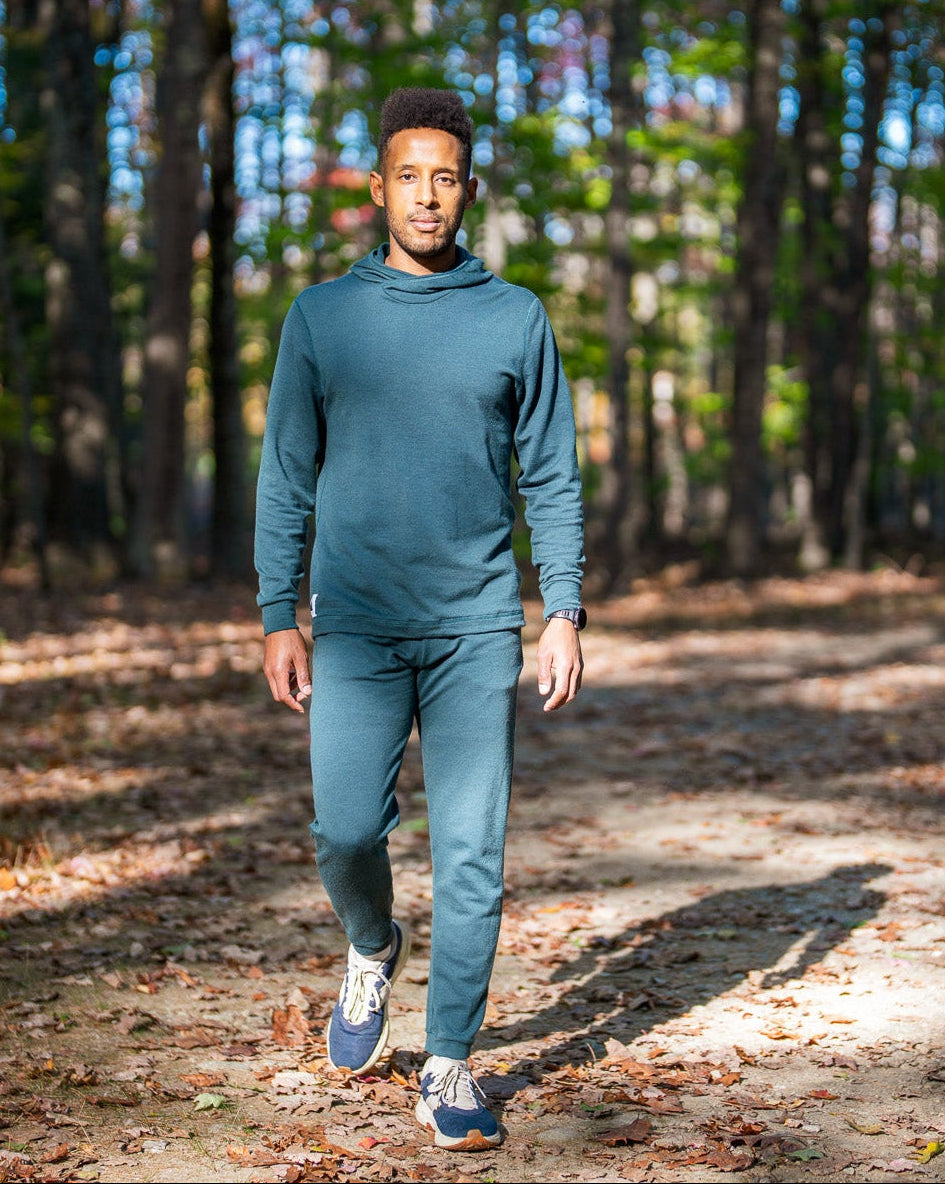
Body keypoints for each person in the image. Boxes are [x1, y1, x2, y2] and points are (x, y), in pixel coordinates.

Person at [254, 86, 585, 1153]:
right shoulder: (321, 317)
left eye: (446, 175)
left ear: (468, 188)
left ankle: (449, 1060)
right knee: (344, 826)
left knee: (474, 849)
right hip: (351, 625)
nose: (428, 194)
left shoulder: (514, 317)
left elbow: (554, 476)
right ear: (378, 187)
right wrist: (277, 612)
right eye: (410, 174)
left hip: (475, 623)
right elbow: (283, 477)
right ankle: (369, 939)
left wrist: (563, 607)